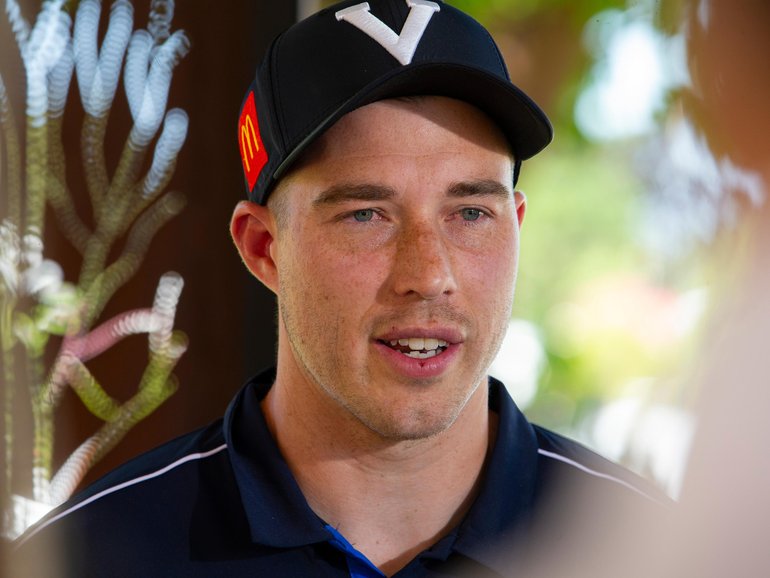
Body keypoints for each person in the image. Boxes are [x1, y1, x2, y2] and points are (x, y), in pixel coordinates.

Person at [13, 1, 667, 576]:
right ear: (263, 247)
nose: (428, 275)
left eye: (470, 213)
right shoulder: (92, 556)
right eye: (365, 215)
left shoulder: (647, 548)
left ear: (515, 226)